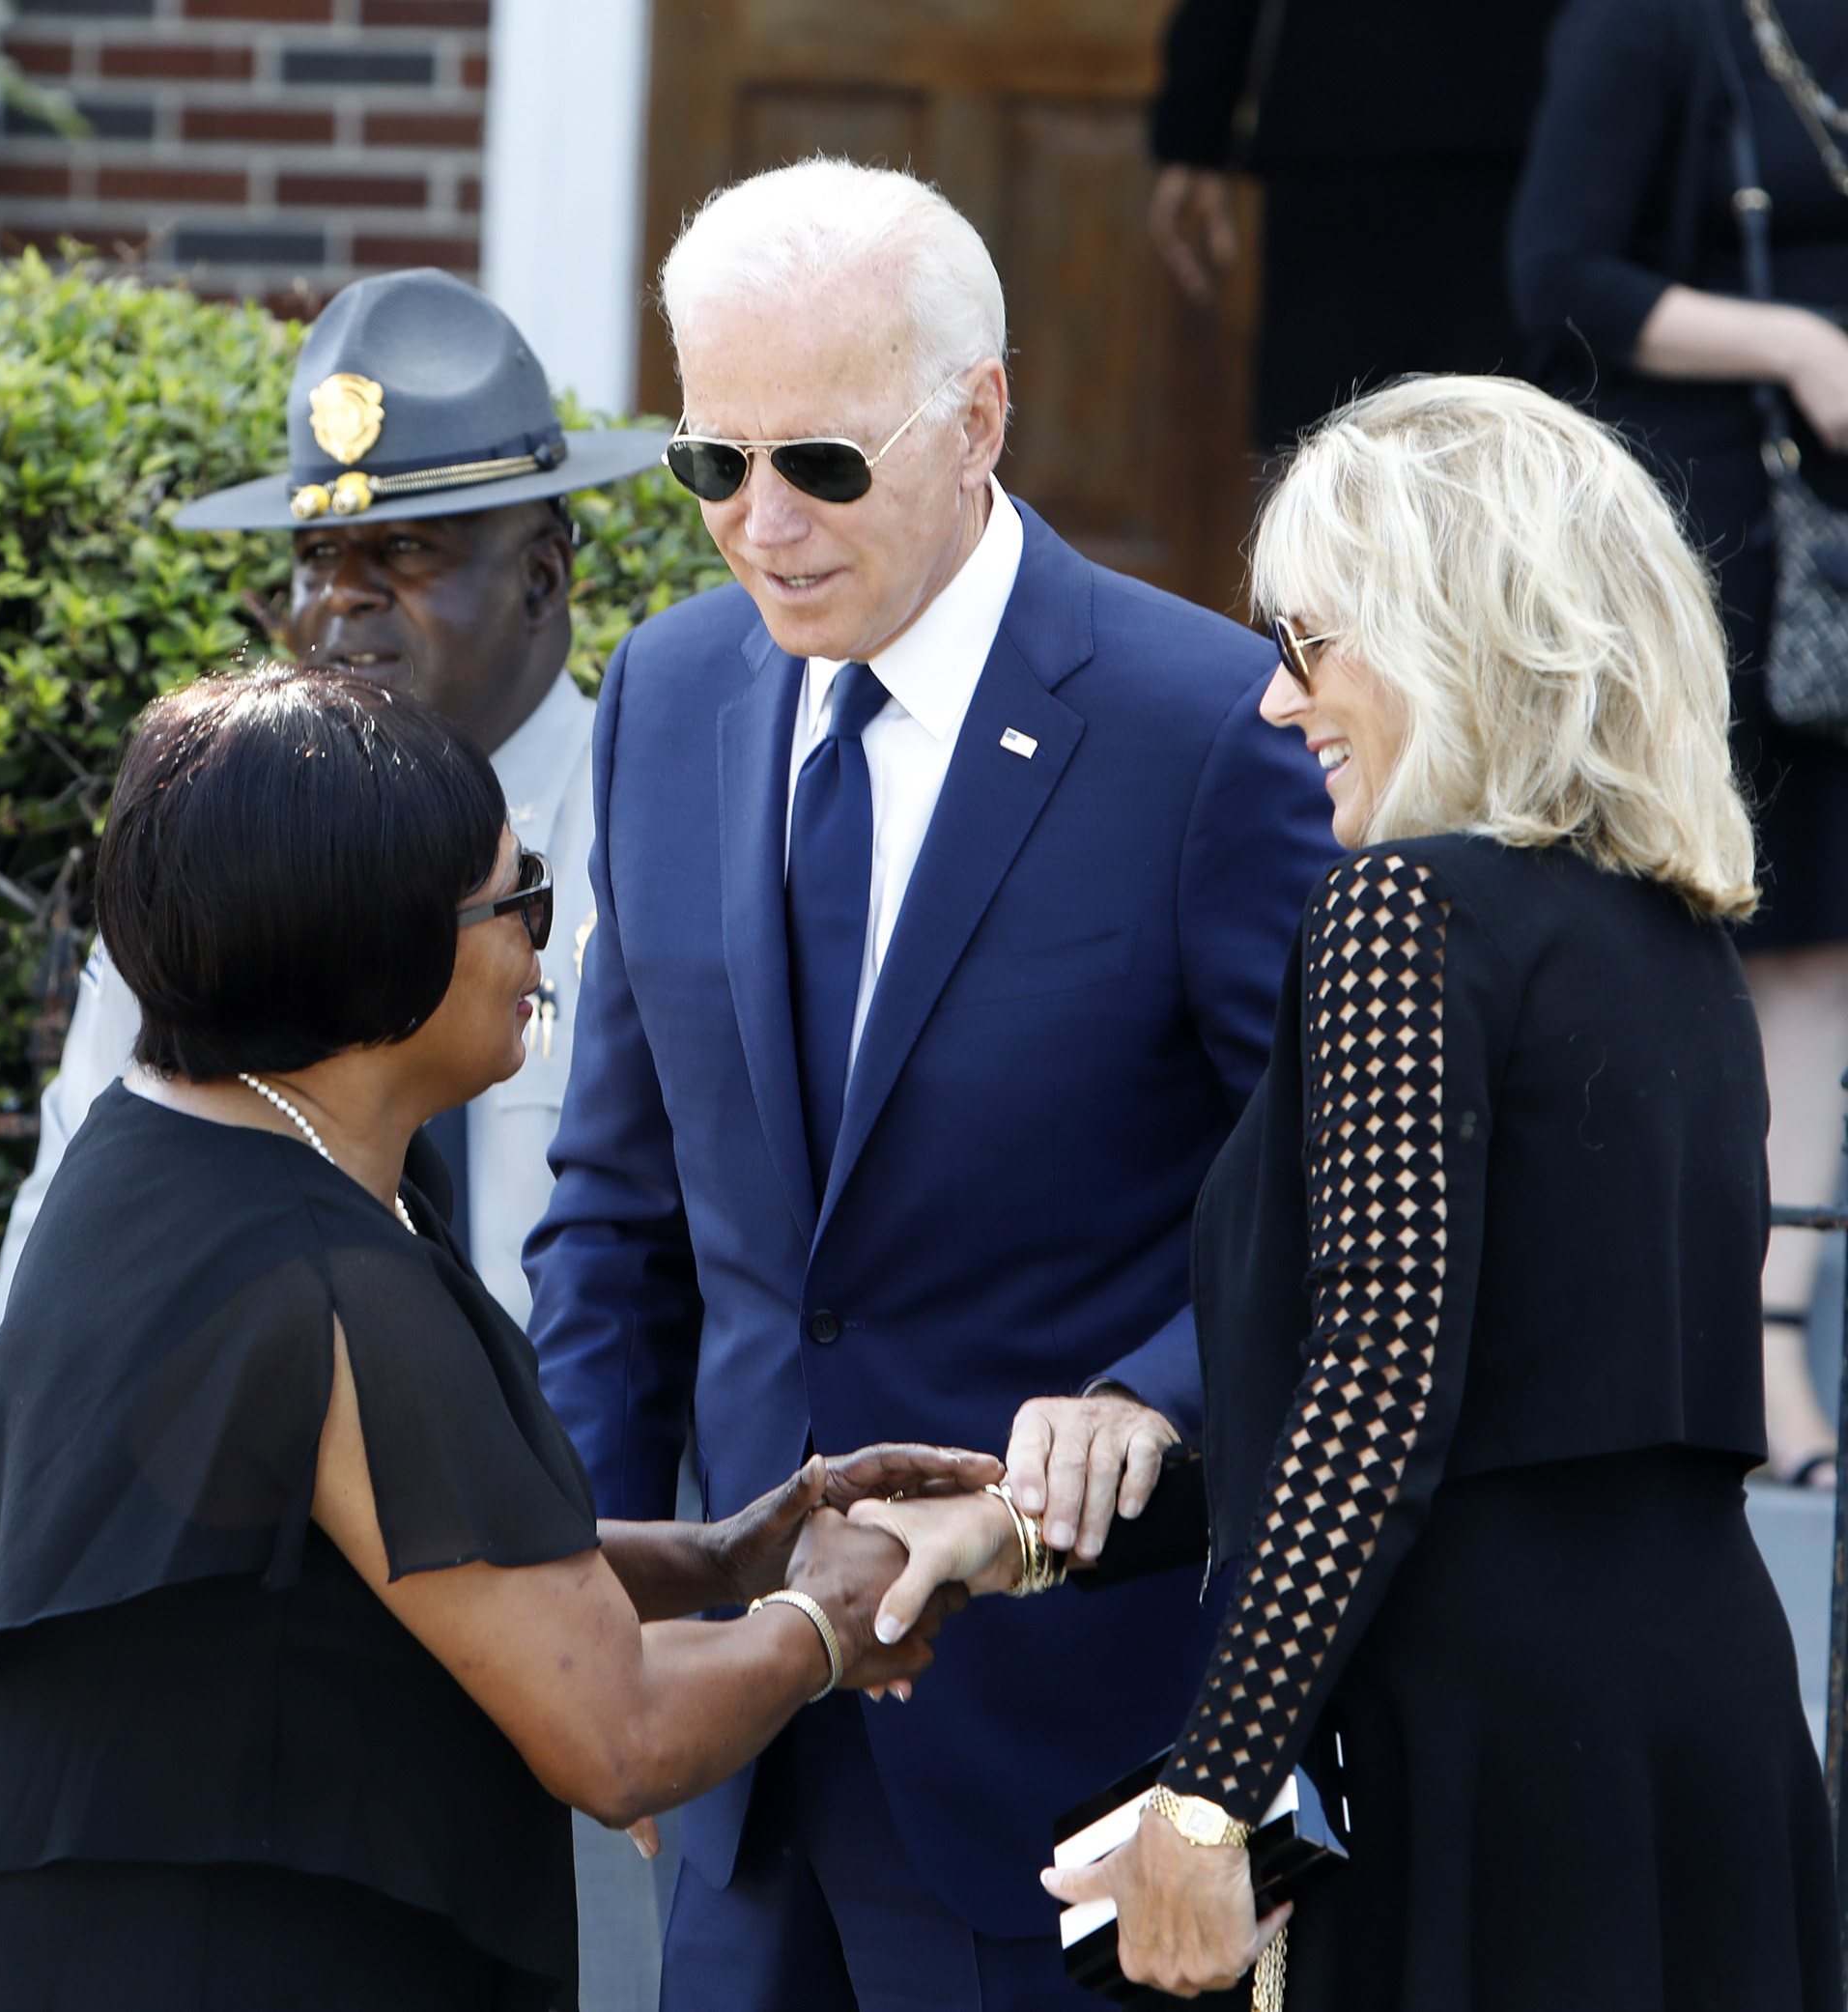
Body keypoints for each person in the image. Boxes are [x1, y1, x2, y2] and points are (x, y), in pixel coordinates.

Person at [858, 376, 1840, 2008]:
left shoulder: (1404, 908)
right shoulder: (1677, 943)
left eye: (1307, 644)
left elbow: (1383, 1381)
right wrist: (1008, 1535)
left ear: (1445, 636)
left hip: (1477, 1753)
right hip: (1700, 1730)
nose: (1275, 704)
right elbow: (1504, 1400)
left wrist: (1210, 1788)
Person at [521, 157, 1336, 2011]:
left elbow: (1323, 1196)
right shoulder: (666, 696)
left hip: (1070, 1753)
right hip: (739, 1757)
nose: (757, 521)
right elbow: (622, 1220)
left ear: (977, 420)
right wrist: (594, 1626)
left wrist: (1145, 1397)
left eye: (819, 462)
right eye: (708, 462)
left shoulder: (1205, 729)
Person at [0, 666, 996, 2012]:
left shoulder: (169, 1144)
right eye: (520, 894)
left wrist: (728, 1553)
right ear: (379, 949)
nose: (547, 937)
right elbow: (617, 1732)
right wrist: (831, 1616)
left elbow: (393, 1552)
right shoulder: (325, 1282)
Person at [0, 265, 662, 1344]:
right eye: (316, 555)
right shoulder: (226, 844)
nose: (339, 597)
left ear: (542, 581)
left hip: (590, 1488)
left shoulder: (657, 822)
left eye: (402, 549)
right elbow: (77, 1205)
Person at [1511, 0, 1848, 1488]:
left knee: (1828, 949)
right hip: (1717, 543)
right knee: (1676, 923)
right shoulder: (1647, 20)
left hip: (1831, 558)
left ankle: (1772, 1342)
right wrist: (1800, 342)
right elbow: (1558, 276)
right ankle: (1653, 1341)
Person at [1148, 0, 1563, 451]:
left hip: (1348, 110)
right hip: (1519, 114)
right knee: (1507, 444)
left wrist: (1197, 122)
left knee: (1334, 443)